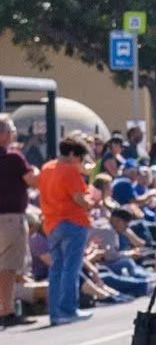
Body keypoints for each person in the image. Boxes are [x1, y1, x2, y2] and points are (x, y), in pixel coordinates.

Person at [34, 135, 99, 326]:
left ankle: (55, 312)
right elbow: (80, 199)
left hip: (51, 223)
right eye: (79, 157)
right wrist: (92, 201)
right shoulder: (69, 170)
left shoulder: (47, 168)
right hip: (72, 222)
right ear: (71, 154)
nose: (79, 162)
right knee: (71, 267)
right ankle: (69, 309)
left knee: (56, 269)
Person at [0, 117, 30, 327]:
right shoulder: (14, 158)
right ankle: (7, 310)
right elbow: (31, 180)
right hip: (11, 217)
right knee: (8, 267)